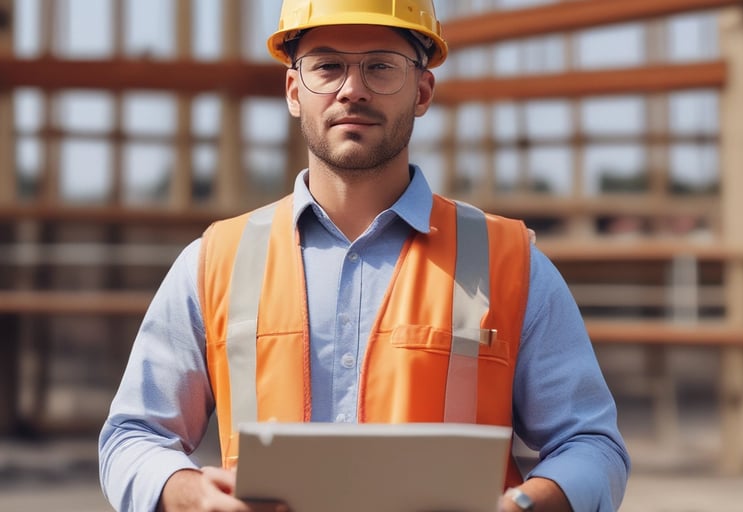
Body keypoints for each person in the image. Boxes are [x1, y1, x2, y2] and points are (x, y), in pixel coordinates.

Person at [99, 1, 630, 511]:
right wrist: (182, 491)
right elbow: (133, 434)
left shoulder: (510, 262)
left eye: (381, 67)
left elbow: (592, 445)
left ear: (423, 91)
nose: (351, 90)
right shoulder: (215, 262)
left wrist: (524, 505)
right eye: (327, 66)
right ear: (293, 90)